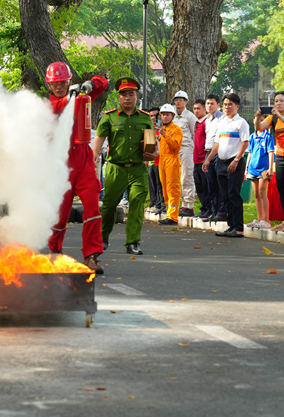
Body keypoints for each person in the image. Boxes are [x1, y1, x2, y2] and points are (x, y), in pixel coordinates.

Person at [44, 62, 108, 274]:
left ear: (69, 81)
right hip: (61, 162)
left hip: (84, 160)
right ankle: (55, 250)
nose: (59, 86)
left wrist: (89, 85)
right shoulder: (47, 106)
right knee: (61, 214)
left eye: (63, 82)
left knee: (92, 208)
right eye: (55, 84)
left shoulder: (80, 97)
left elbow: (104, 82)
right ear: (49, 85)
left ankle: (91, 256)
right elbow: (60, 106)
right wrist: (70, 96)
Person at [94, 77, 158, 255]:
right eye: (123, 94)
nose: (127, 98)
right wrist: (93, 156)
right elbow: (98, 140)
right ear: (119, 97)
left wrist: (155, 152)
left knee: (137, 203)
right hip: (116, 168)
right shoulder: (109, 117)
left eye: (131, 94)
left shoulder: (145, 119)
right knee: (109, 205)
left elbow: (153, 144)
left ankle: (133, 242)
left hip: (138, 168)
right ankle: (103, 237)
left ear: (137, 96)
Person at [204, 93, 249, 237]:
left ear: (237, 106)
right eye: (225, 104)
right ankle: (231, 226)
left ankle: (239, 228)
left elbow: (245, 142)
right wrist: (208, 159)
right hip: (220, 163)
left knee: (233, 194)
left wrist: (236, 160)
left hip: (234, 163)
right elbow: (217, 144)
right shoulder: (222, 123)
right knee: (225, 196)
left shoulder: (241, 123)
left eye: (230, 104)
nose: (227, 107)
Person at [258, 91, 284, 231]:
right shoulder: (272, 117)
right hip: (280, 156)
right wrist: (258, 117)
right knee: (281, 189)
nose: (278, 103)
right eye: (276, 101)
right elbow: (259, 127)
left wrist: (279, 116)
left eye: (281, 101)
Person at [171, 91, 198, 217]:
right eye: (176, 99)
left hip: (186, 149)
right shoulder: (173, 117)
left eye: (181, 99)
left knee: (187, 176)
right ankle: (183, 205)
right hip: (174, 150)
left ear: (186, 102)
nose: (178, 102)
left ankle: (189, 205)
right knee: (177, 177)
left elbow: (194, 134)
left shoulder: (190, 116)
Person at [245, 110, 274, 229]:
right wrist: (246, 169)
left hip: (263, 169)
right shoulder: (252, 136)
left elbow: (271, 152)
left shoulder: (268, 136)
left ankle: (266, 220)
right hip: (252, 168)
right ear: (254, 121)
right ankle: (259, 219)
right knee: (256, 194)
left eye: (263, 121)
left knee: (262, 192)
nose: (261, 123)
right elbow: (250, 153)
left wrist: (270, 168)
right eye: (258, 120)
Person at [157, 104, 182, 225]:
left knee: (173, 187)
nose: (165, 117)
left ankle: (173, 216)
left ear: (172, 116)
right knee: (165, 188)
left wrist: (164, 135)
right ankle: (168, 213)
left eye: (167, 114)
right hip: (162, 160)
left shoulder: (176, 129)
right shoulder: (162, 130)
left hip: (172, 160)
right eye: (163, 115)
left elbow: (175, 146)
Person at [200, 94, 224, 220]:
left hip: (218, 153)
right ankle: (213, 212)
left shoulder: (221, 118)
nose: (209, 106)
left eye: (212, 103)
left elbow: (218, 140)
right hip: (208, 152)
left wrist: (209, 159)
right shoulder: (207, 120)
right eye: (207, 103)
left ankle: (221, 212)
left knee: (219, 184)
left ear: (218, 105)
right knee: (211, 184)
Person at [192, 100, 212, 222]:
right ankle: (204, 209)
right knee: (199, 186)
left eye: (198, 108)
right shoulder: (195, 122)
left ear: (204, 109)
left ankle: (209, 209)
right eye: (194, 108)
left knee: (206, 186)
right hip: (195, 159)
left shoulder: (206, 122)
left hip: (204, 159)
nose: (196, 111)